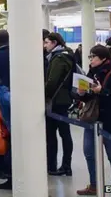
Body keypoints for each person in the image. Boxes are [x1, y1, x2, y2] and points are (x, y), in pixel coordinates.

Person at [76, 45, 111, 196]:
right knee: (89, 153)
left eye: (93, 57)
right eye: (89, 57)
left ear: (103, 58)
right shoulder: (90, 74)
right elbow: (87, 99)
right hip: (92, 121)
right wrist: (81, 93)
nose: (91, 60)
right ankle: (94, 185)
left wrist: (101, 91)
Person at [44, 32, 75, 176]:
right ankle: (65, 165)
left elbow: (52, 81)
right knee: (64, 134)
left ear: (54, 43)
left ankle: (55, 165)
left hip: (56, 101)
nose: (45, 45)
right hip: (64, 100)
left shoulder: (58, 58)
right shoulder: (67, 55)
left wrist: (43, 95)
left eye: (47, 42)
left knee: (53, 135)